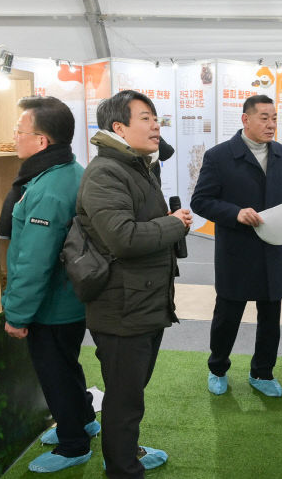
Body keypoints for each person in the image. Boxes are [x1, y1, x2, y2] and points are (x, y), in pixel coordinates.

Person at [76, 90, 192, 478]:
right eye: (145, 117)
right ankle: (123, 469)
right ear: (118, 127)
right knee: (125, 402)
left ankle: (125, 455)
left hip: (143, 303)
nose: (156, 124)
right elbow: (123, 238)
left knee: (129, 397)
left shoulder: (136, 167)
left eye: (156, 117)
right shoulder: (105, 172)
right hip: (121, 308)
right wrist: (174, 224)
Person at [0, 96, 98, 473]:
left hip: (53, 305)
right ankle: (85, 420)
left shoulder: (48, 188)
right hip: (71, 299)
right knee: (67, 364)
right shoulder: (68, 171)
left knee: (54, 373)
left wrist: (18, 313)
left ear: (41, 141)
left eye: (18, 131)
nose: (13, 137)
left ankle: (74, 444)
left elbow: (33, 260)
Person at [191, 95, 282, 398]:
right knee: (227, 316)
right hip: (237, 251)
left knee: (270, 317)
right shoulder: (220, 156)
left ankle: (262, 372)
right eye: (264, 118)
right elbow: (201, 201)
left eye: (274, 118)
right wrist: (235, 213)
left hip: (274, 249)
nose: (271, 124)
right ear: (245, 119)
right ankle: (218, 367)